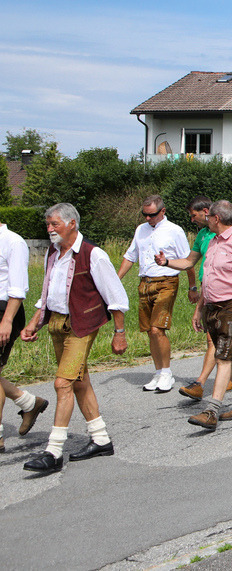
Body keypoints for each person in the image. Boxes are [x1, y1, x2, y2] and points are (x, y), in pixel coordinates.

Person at [20, 203, 130, 474]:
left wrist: (119, 333)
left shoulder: (93, 254)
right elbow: (48, 293)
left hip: (82, 326)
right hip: (57, 323)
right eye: (48, 224)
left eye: (54, 224)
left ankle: (54, 451)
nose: (49, 229)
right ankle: (101, 439)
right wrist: (34, 321)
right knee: (79, 382)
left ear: (72, 224)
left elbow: (116, 296)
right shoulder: (53, 253)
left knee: (63, 383)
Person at [157, 200, 232, 431]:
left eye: (208, 216)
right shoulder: (212, 241)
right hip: (212, 305)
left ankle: (211, 410)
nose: (205, 219)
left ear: (216, 218)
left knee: (223, 358)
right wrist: (167, 263)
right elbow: (203, 274)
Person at [116, 195, 193, 394]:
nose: (148, 218)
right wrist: (116, 280)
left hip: (167, 281)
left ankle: (167, 372)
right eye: (145, 214)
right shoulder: (140, 230)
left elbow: (188, 260)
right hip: (145, 283)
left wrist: (192, 287)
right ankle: (158, 372)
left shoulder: (174, 230)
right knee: (150, 331)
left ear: (163, 211)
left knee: (158, 329)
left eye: (152, 215)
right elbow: (130, 256)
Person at [178, 196, 232, 402]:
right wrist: (165, 262)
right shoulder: (203, 235)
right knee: (229, 348)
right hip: (208, 291)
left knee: (216, 341)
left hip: (228, 296)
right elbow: (189, 261)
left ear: (207, 212)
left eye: (194, 215)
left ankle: (201, 385)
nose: (192, 220)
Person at [0, 218, 49, 454]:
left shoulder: (13, 242)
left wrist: (7, 321)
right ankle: (29, 403)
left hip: (4, 310)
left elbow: (18, 288)